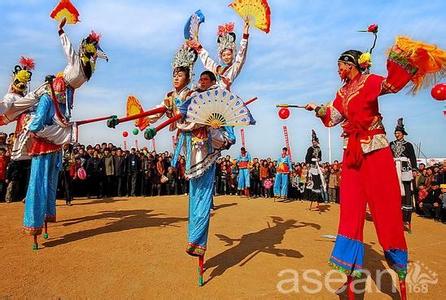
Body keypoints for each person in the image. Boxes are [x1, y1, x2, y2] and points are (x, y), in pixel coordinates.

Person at [304, 31, 446, 297]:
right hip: (352, 154)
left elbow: (391, 86)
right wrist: (319, 110)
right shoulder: (341, 91)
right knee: (350, 211)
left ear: (354, 65)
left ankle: (398, 270)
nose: (339, 69)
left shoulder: (369, 81)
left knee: (386, 209)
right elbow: (334, 117)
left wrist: (401, 60)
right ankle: (349, 275)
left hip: (375, 151)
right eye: (339, 65)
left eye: (342, 64)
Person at [187, 21, 250, 90]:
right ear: (221, 57)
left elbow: (241, 55)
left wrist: (245, 36)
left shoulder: (234, 68)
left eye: (229, 54)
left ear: (233, 54)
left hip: (223, 97)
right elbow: (207, 61)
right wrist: (198, 46)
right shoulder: (217, 68)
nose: (226, 57)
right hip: (211, 95)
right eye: (224, 55)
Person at [390, 118, 417, 232]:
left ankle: (406, 218)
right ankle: (394, 218)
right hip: (393, 168)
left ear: (402, 134)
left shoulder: (409, 145)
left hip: (405, 168)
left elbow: (413, 158)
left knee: (406, 193)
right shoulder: (391, 144)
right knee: (393, 192)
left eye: (398, 133)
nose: (397, 135)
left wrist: (414, 169)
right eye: (395, 133)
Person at [305, 130, 325, 203]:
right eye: (313, 142)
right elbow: (307, 157)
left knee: (317, 181)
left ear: (317, 142)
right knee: (311, 181)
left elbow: (320, 157)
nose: (314, 143)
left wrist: (318, 159)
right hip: (311, 166)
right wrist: (307, 164)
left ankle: (318, 197)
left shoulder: (319, 149)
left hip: (316, 165)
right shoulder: (310, 149)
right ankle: (310, 197)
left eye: (315, 142)